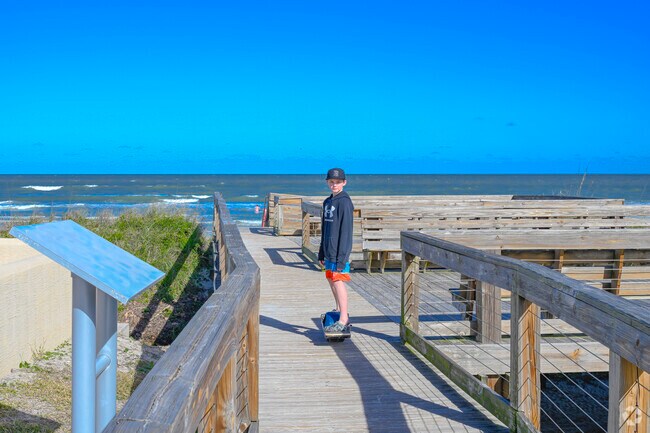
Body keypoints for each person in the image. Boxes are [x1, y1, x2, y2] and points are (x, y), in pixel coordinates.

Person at [318, 167, 354, 333]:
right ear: (327, 182)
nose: (334, 185)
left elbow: (346, 232)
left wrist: (342, 258)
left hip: (340, 252)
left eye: (338, 182)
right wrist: (321, 252)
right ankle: (339, 308)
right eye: (331, 182)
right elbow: (324, 228)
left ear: (344, 183)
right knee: (331, 279)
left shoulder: (345, 202)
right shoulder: (327, 202)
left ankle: (344, 318)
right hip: (328, 250)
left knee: (338, 280)